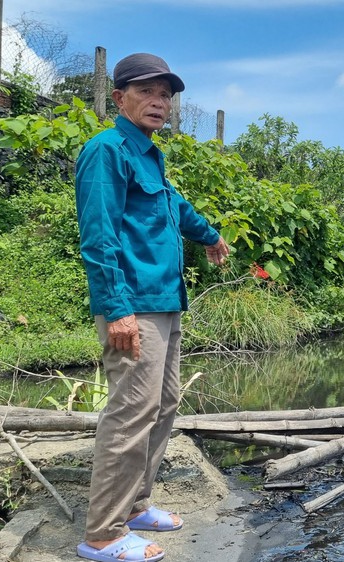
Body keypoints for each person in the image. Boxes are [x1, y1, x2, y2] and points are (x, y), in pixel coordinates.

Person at [73, 52, 230, 562]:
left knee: (162, 406)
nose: (159, 101)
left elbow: (175, 206)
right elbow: (98, 238)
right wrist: (116, 309)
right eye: (146, 91)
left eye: (166, 94)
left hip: (166, 300)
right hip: (133, 304)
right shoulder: (107, 150)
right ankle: (102, 534)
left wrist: (211, 237)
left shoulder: (149, 154)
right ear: (119, 98)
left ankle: (135, 505)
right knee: (130, 412)